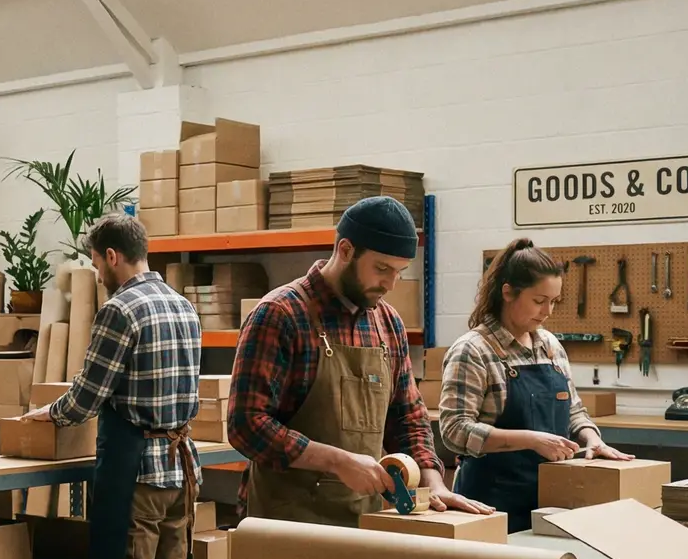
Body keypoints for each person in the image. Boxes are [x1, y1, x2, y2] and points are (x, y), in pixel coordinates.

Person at [227, 196, 491, 527]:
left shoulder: (388, 322)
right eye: (381, 268)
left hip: (365, 520)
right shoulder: (280, 314)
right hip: (288, 523)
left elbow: (407, 415)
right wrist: (337, 462)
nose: (391, 284)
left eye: (399, 272)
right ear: (346, 250)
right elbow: (246, 425)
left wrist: (432, 481)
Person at [23, 216, 202, 559]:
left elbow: (87, 397)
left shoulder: (121, 310)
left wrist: (48, 415)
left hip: (137, 474)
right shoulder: (182, 305)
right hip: (180, 470)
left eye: (96, 262)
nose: (97, 273)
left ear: (112, 257)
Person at [439, 239, 633, 531]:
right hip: (489, 507)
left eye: (554, 301)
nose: (548, 311)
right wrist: (531, 439)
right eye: (539, 301)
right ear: (508, 292)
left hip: (550, 503)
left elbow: (574, 411)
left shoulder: (549, 346)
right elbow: (454, 431)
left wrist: (593, 439)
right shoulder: (474, 350)